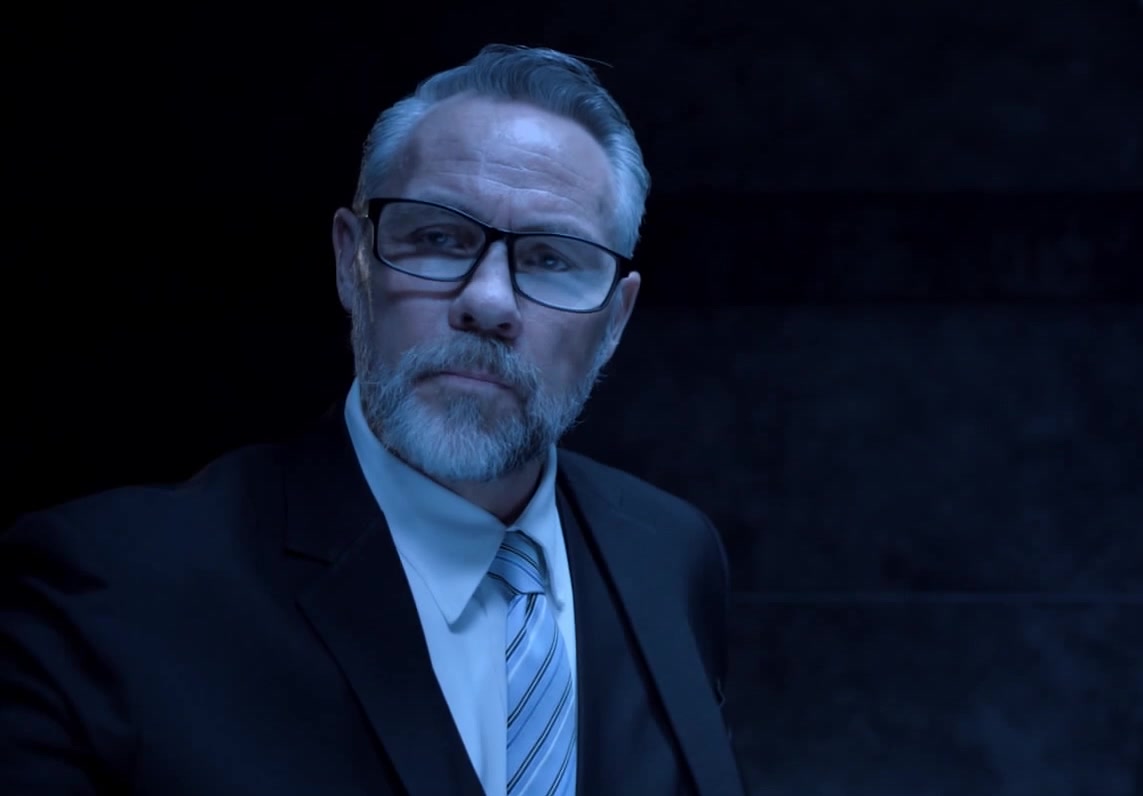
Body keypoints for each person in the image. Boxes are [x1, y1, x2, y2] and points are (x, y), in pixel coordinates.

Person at [0, 45, 746, 796]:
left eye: (552, 259)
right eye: (438, 238)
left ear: (614, 320)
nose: (488, 302)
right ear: (350, 262)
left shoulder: (670, 553)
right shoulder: (110, 589)